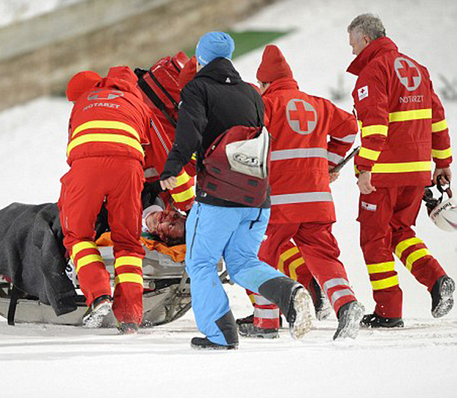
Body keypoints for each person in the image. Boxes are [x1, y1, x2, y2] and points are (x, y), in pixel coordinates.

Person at [160, 32, 314, 350]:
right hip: (258, 197)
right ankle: (290, 293)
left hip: (219, 196)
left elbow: (189, 131)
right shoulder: (251, 93)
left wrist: (172, 169)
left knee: (200, 263)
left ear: (201, 58)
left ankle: (220, 334)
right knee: (242, 262)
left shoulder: (197, 88)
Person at [241, 45, 364, 340]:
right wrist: (329, 163)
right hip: (317, 200)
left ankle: (266, 322)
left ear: (265, 83)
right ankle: (346, 304)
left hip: (279, 202)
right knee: (324, 257)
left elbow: (249, 144)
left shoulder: (265, 106)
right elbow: (349, 128)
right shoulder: (318, 104)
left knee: (259, 257)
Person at [346, 14, 454, 327]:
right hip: (418, 170)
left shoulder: (373, 71)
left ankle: (388, 311)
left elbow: (376, 123)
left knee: (374, 239)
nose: (352, 52)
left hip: (385, 170)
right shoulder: (417, 68)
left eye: (353, 44)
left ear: (365, 39)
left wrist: (365, 167)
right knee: (399, 231)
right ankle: (436, 280)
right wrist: (442, 162)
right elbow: (437, 118)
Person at [59, 67, 154, 333]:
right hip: (128, 169)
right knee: (128, 243)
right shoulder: (138, 102)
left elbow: (74, 148)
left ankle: (99, 296)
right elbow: (152, 148)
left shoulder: (84, 102)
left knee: (78, 236)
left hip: (86, 167)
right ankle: (130, 316)